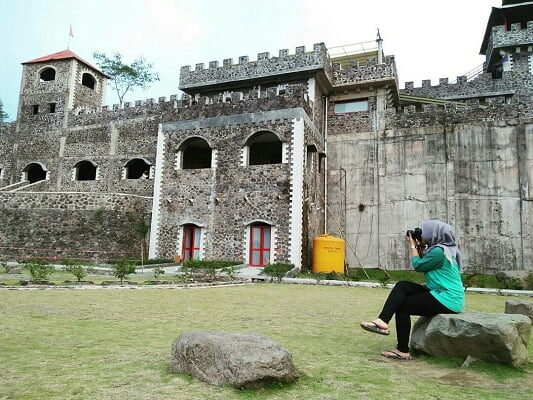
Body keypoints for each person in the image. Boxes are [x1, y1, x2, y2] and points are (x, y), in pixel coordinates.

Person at [360, 220, 464, 360]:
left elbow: (419, 266)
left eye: (425, 231)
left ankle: (402, 350)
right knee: (402, 286)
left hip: (447, 297)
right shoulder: (442, 249)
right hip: (438, 292)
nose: (422, 234)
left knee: (403, 306)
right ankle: (382, 321)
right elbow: (425, 263)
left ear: (434, 233)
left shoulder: (440, 252)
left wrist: (413, 246)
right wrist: (419, 246)